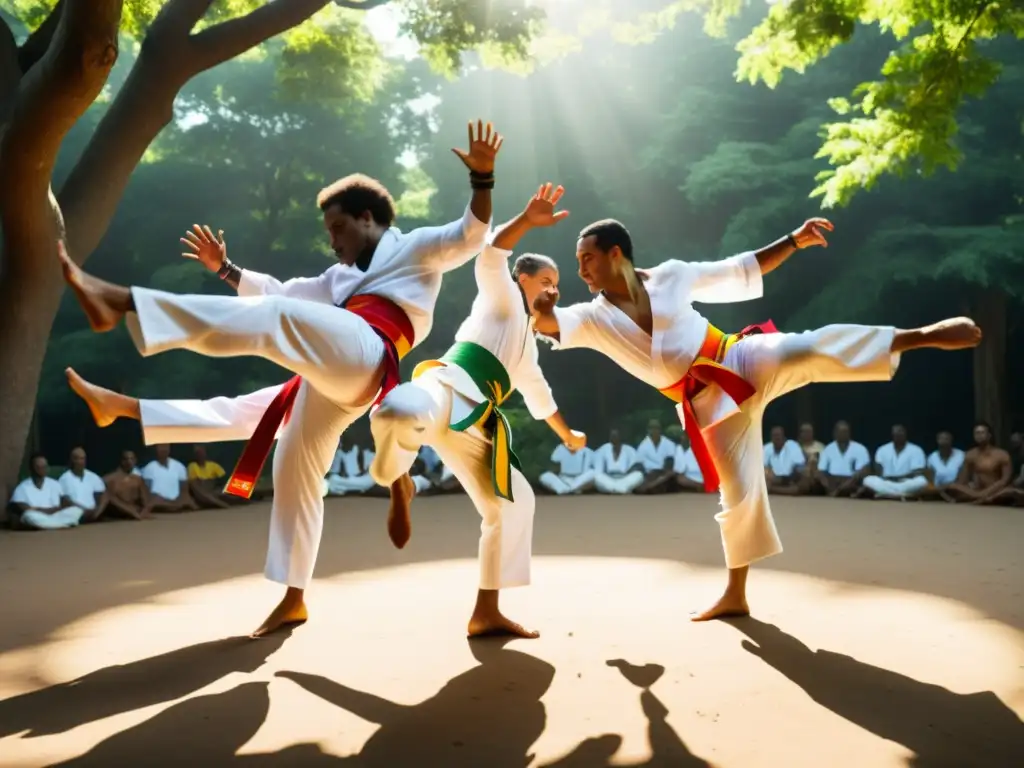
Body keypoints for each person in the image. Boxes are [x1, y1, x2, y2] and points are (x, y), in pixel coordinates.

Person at [61, 119, 502, 637]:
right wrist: (226, 269)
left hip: (370, 352)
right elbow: (277, 292)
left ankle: (123, 303)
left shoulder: (416, 247)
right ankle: (293, 595)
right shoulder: (336, 278)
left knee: (277, 324)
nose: (332, 240)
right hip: (339, 372)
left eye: (338, 228)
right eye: (328, 233)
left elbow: (471, 234)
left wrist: (483, 180)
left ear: (367, 218)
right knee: (282, 452)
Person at [531, 216, 982, 621]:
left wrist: (793, 241)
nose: (581, 270)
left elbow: (738, 269)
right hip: (705, 404)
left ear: (616, 254)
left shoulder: (671, 276)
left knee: (802, 348)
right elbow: (552, 325)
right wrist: (545, 308)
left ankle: (918, 336)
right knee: (739, 493)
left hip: (735, 358)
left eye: (587, 258)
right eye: (577, 261)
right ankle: (736, 594)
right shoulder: (591, 317)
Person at [368, 183, 586, 639]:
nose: (554, 291)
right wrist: (526, 219)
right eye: (547, 282)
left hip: (478, 425)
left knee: (514, 502)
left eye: (558, 287)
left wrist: (567, 435)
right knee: (396, 410)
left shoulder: (528, 348)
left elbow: (541, 399)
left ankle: (487, 609)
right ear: (522, 281)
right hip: (448, 387)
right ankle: (399, 482)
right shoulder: (502, 298)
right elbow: (491, 255)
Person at [940, 422, 1013, 504]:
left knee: (1009, 492)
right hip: (976, 491)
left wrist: (985, 493)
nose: (979, 435)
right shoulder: (970, 454)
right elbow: (963, 479)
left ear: (989, 435)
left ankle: (983, 498)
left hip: (997, 491)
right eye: (976, 433)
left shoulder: (1002, 454)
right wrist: (959, 487)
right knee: (951, 486)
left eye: (982, 432)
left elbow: (1004, 480)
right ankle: (981, 499)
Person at [858, 424, 928, 500]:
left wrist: (899, 478)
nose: (898, 435)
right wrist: (887, 478)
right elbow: (879, 472)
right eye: (896, 433)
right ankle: (902, 495)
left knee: (921, 481)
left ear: (905, 434)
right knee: (868, 479)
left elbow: (917, 472)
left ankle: (886, 494)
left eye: (901, 432)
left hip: (905, 483)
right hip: (887, 482)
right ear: (892, 435)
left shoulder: (916, 450)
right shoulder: (882, 449)